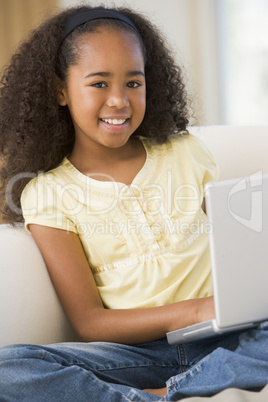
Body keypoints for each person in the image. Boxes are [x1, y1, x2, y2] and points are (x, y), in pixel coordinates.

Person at [0, 5, 267, 402]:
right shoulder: (47, 193)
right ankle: (160, 393)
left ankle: (163, 395)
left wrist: (226, 306)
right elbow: (89, 322)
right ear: (60, 90)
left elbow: (234, 258)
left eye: (133, 83)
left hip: (226, 337)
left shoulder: (186, 153)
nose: (119, 101)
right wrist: (194, 310)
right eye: (99, 84)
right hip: (138, 355)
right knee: (11, 368)